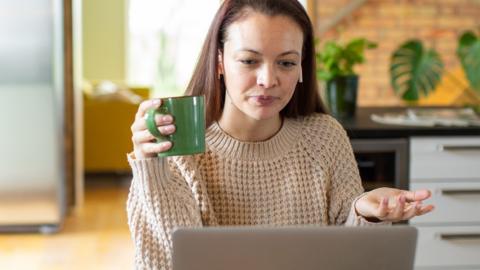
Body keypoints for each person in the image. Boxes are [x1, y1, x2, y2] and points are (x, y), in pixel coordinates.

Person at [128, 0, 434, 269]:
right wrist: (152, 171)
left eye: (286, 63)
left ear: (302, 66)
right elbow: (168, 262)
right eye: (249, 60)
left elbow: (353, 254)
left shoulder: (324, 138)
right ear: (220, 62)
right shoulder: (179, 150)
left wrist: (366, 212)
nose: (268, 80)